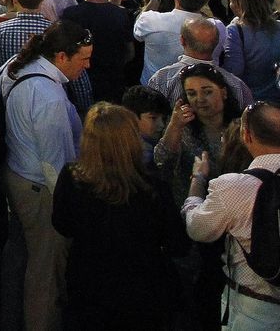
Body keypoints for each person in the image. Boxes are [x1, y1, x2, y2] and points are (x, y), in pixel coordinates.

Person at [184, 102, 280, 322]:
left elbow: (197, 229)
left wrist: (197, 182)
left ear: (246, 135)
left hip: (254, 314)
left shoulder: (231, 187)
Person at [51, 104, 185, 330]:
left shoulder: (72, 177)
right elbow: (178, 245)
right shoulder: (152, 187)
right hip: (142, 295)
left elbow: (62, 225)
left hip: (87, 287)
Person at [0, 20, 90, 331]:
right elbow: (55, 165)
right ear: (61, 56)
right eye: (84, 59)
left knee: (20, 258)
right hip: (40, 191)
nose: (87, 66)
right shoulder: (49, 96)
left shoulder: (18, 66)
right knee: (45, 273)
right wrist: (67, 207)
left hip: (16, 177)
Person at [154, 63, 241, 207]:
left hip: (235, 206)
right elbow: (162, 164)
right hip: (190, 208)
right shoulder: (182, 128)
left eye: (207, 92)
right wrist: (174, 127)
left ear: (224, 92)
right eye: (192, 94)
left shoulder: (241, 127)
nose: (200, 99)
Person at [226, 0, 280, 103]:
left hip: (250, 97)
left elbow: (234, 70)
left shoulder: (235, 31)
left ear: (238, 6)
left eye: (231, 1)